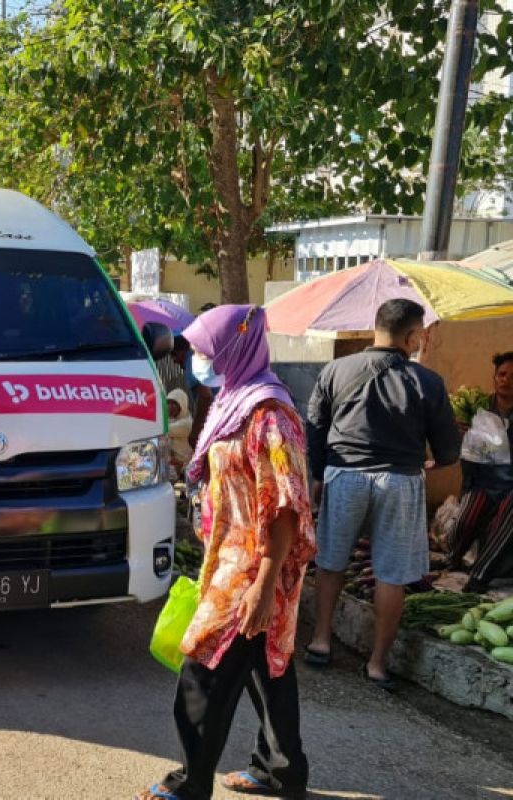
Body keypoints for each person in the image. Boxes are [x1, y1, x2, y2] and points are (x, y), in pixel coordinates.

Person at [138, 305, 315, 800]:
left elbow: (284, 506)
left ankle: (189, 784)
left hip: (254, 567)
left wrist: (263, 583)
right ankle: (280, 770)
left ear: (235, 348)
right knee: (267, 669)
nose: (194, 358)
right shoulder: (233, 400)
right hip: (232, 557)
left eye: (203, 350)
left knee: (204, 671)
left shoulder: (269, 414)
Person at [306, 299, 461, 690]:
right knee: (391, 576)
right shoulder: (428, 382)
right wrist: (429, 463)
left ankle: (321, 641)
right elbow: (448, 453)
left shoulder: (335, 370)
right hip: (399, 482)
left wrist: (318, 476)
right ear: (412, 337)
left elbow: (314, 427)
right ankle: (377, 665)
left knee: (331, 563)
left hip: (344, 474)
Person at [447, 351, 513, 591]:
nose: (506, 380)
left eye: (512, 376)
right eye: (502, 374)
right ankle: (451, 559)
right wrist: (463, 433)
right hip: (485, 482)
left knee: (507, 521)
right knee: (463, 522)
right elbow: (468, 453)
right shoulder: (479, 407)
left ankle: (480, 576)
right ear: (494, 377)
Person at [166, 388, 193, 475]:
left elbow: (163, 430)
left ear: (182, 405)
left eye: (174, 403)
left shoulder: (186, 424)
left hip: (185, 466)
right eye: (168, 402)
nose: (170, 406)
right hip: (174, 464)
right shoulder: (172, 420)